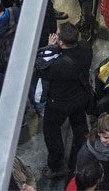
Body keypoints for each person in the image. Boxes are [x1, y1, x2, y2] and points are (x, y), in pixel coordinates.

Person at [36, 22, 93, 176]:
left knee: (52, 132)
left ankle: (56, 166)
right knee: (80, 127)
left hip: (58, 104)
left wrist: (50, 47)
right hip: (80, 96)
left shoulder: (57, 65)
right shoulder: (86, 49)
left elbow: (41, 68)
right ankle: (85, 161)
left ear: (61, 42)